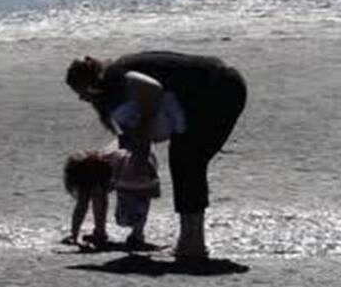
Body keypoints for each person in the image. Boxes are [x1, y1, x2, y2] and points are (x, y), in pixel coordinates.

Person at [66, 51, 247, 259]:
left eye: (80, 91)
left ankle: (193, 244)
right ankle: (191, 240)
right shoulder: (114, 87)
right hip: (209, 93)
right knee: (186, 162)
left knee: (187, 161)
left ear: (91, 81)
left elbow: (153, 90)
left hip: (219, 88)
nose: (82, 98)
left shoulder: (119, 75)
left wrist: (143, 133)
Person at [63, 143, 158, 249]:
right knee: (125, 212)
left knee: (129, 214)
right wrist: (75, 234)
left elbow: (88, 204)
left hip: (137, 166)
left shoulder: (114, 168)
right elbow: (84, 203)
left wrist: (74, 234)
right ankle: (103, 232)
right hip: (129, 159)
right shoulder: (97, 165)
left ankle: (136, 235)